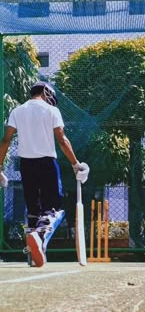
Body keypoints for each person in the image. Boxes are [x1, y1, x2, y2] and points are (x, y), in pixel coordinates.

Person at [0, 81, 89, 267]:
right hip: (47, 163)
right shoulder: (51, 111)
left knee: (33, 211)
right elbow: (62, 140)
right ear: (46, 92)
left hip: (26, 165)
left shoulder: (17, 111)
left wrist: (0, 166)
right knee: (54, 211)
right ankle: (39, 238)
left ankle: (34, 255)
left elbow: (6, 140)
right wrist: (75, 164)